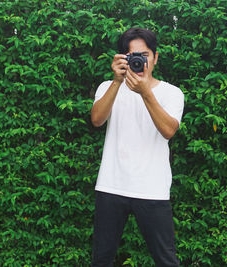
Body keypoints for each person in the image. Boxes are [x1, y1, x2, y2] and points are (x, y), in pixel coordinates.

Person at [90, 27, 184, 267]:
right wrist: (116, 81)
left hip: (152, 188)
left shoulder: (171, 93)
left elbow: (168, 131)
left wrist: (145, 93)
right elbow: (97, 119)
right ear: (123, 58)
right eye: (133, 56)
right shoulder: (107, 87)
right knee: (101, 258)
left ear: (155, 57)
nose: (140, 61)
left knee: (166, 260)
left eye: (145, 55)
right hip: (111, 184)